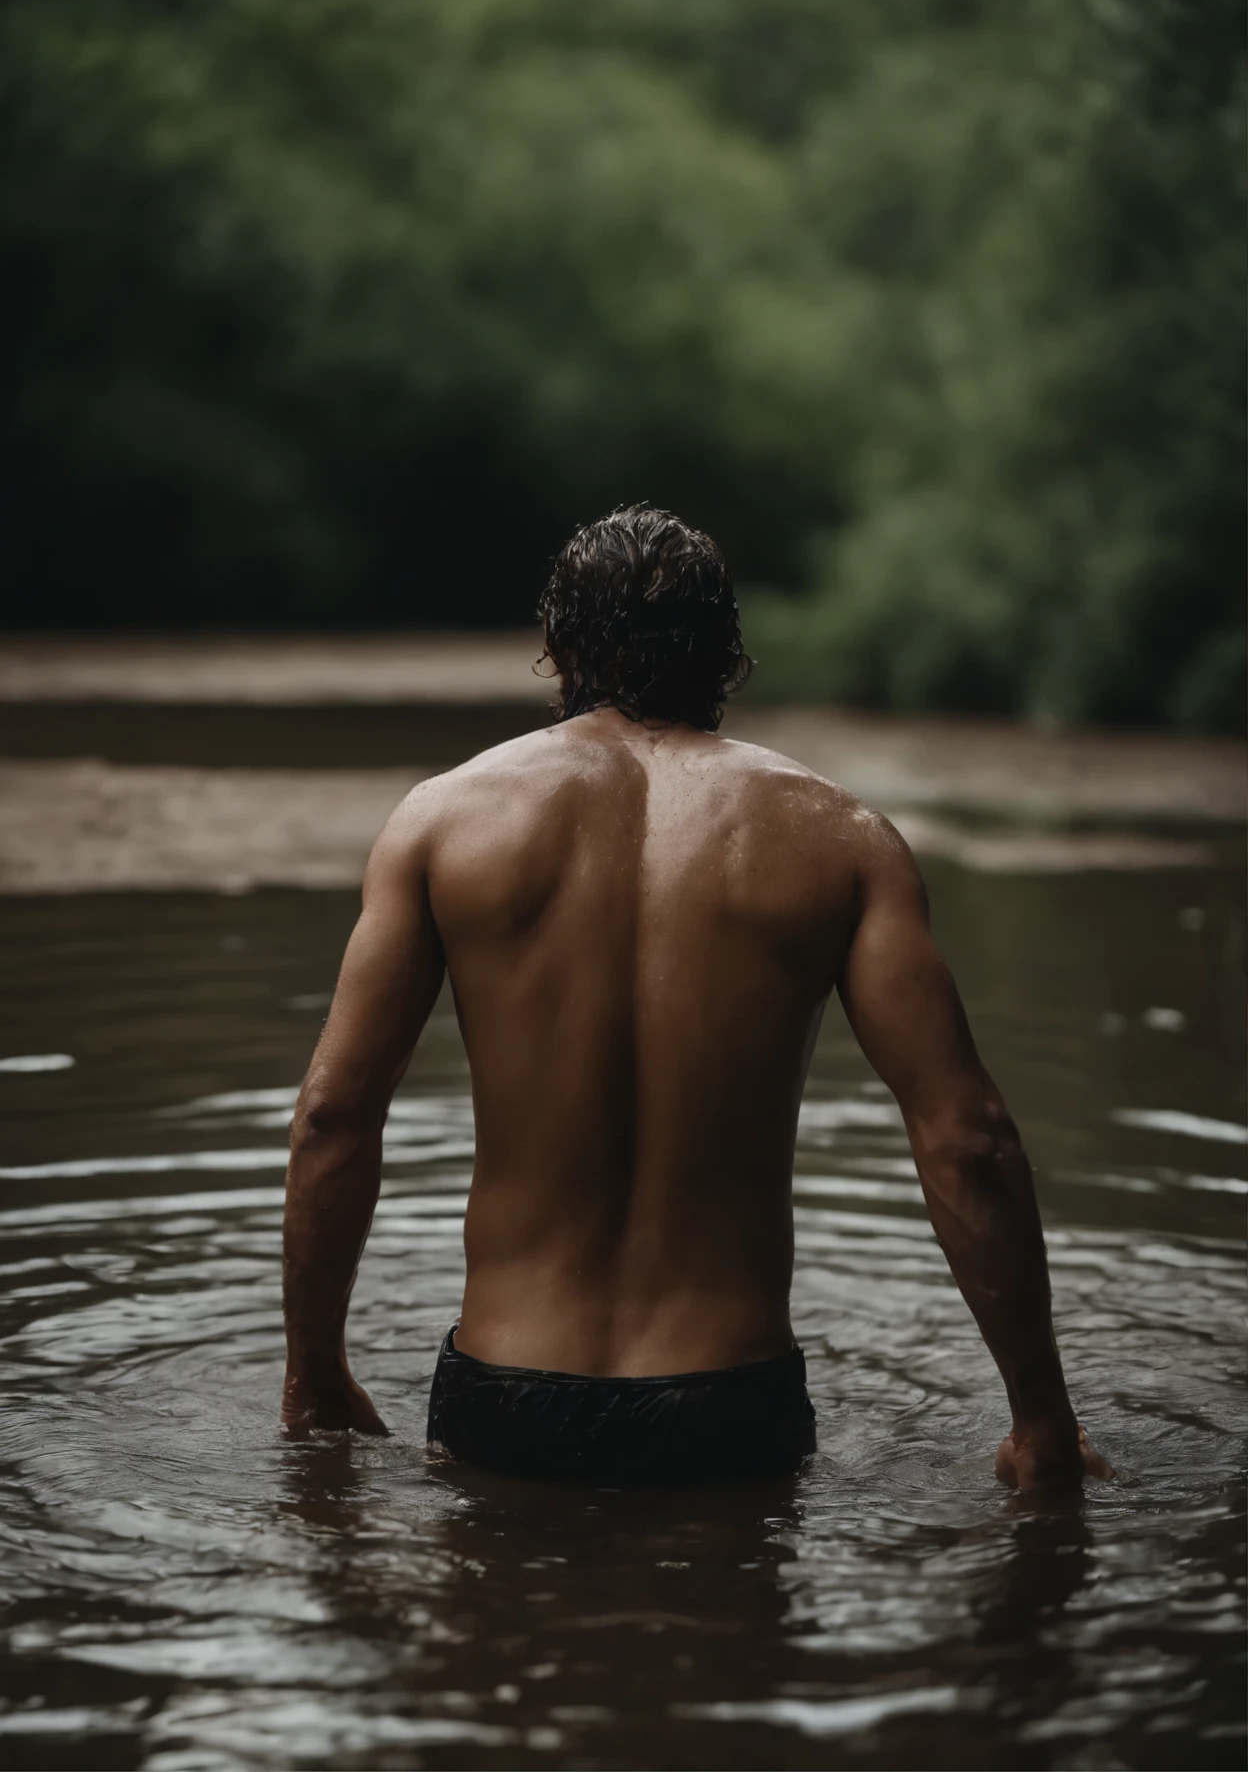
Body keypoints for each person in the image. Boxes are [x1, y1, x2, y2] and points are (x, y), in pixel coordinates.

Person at [281, 504, 1111, 1490]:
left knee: (492, 1644)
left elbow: (334, 1117)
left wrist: (316, 1369)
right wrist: (1040, 1417)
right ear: (730, 659)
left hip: (503, 1390)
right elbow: (969, 1139)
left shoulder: (441, 821)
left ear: (554, 648)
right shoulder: (839, 836)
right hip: (730, 1397)